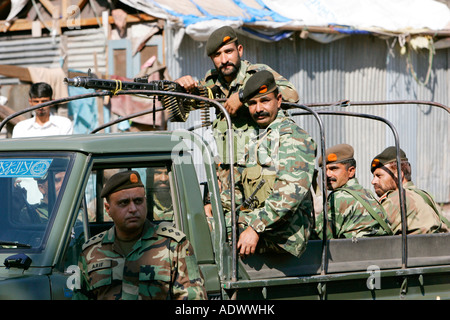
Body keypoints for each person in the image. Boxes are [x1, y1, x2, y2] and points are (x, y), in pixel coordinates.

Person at [176, 26, 299, 190]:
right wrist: (180, 87)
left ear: (239, 50)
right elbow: (187, 106)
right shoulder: (212, 81)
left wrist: (243, 96)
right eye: (217, 55)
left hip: (262, 175)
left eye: (228, 52)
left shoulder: (257, 74)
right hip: (229, 181)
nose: (224, 59)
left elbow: (292, 95)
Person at [221, 71, 316, 258]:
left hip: (284, 236)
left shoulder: (293, 138)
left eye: (264, 101)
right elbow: (235, 189)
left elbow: (289, 194)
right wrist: (220, 212)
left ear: (279, 100)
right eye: (252, 103)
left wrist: (255, 229)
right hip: (259, 225)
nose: (258, 109)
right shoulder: (255, 139)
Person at [73, 170, 206, 300]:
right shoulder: (91, 252)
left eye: (138, 201)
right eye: (124, 203)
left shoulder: (174, 246)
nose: (133, 209)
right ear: (108, 209)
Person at [314, 144, 392, 239]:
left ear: (351, 171)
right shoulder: (366, 194)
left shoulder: (339, 197)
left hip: (354, 251)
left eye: (333, 169)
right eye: (324, 170)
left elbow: (320, 237)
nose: (327, 174)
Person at [370, 146, 449, 234]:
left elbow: (367, 234)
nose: (373, 181)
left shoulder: (397, 199)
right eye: (373, 177)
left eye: (379, 176)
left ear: (399, 174)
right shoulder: (425, 197)